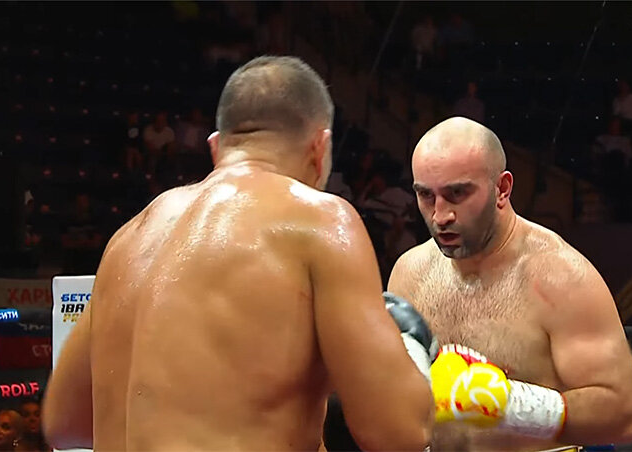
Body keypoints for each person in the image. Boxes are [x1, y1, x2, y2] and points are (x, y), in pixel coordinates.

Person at [42, 55, 434, 451]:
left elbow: (65, 424)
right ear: (320, 147)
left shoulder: (127, 239)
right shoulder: (319, 220)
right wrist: (409, 346)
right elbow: (398, 431)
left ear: (216, 148)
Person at [387, 117, 632, 451]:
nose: (440, 215)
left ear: (502, 189)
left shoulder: (561, 277)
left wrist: (509, 404)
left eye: (457, 193)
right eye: (425, 195)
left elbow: (623, 415)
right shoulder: (409, 272)